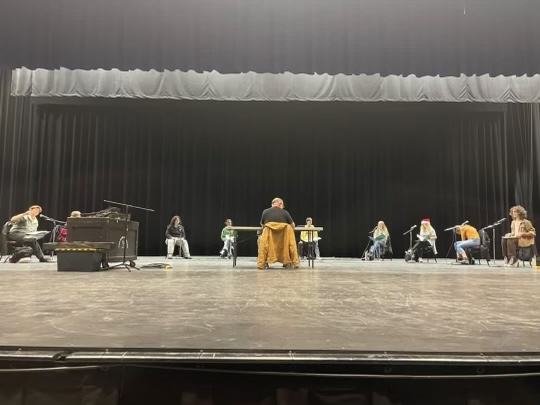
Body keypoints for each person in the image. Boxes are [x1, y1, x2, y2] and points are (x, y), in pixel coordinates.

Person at [257, 198, 299, 269]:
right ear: (280, 204)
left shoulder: (265, 212)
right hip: (284, 243)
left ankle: (264, 262)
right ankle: (288, 262)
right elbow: (293, 226)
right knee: (290, 240)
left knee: (260, 240)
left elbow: (263, 226)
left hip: (269, 241)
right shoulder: (285, 212)